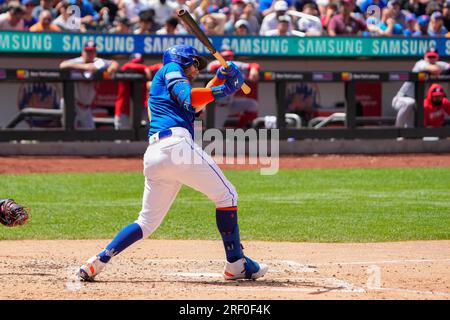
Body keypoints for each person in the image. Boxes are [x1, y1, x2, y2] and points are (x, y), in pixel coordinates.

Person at [78, 44, 268, 282]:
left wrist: (221, 78)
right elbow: (190, 98)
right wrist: (225, 90)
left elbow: (197, 102)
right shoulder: (171, 68)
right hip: (176, 146)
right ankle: (236, 263)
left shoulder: (170, 87)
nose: (196, 69)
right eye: (194, 63)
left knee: (146, 223)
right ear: (182, 60)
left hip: (156, 154)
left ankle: (97, 261)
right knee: (228, 196)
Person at [59, 41, 119, 129]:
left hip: (86, 107)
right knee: (69, 131)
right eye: (87, 51)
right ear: (82, 52)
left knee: (91, 134)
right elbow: (62, 65)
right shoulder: (77, 61)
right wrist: (83, 67)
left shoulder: (98, 62)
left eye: (92, 51)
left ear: (95, 53)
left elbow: (114, 63)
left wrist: (110, 70)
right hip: (72, 104)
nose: (89, 54)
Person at [392, 48, 450, 128]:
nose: (431, 59)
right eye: (429, 57)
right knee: (409, 102)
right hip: (402, 98)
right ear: (425, 57)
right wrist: (442, 70)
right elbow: (434, 69)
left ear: (437, 57)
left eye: (433, 57)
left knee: (411, 133)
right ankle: (397, 130)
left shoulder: (440, 64)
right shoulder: (420, 63)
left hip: (417, 103)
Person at [206, 47, 260, 128]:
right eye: (225, 56)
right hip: (216, 106)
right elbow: (213, 68)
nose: (228, 58)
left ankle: (239, 128)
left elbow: (254, 65)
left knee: (253, 105)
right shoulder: (213, 64)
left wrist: (253, 69)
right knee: (214, 131)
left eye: (230, 56)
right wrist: (231, 70)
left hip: (230, 103)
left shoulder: (233, 64)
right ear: (219, 56)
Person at [114, 53, 151, 130]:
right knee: (123, 139)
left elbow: (159, 66)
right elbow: (126, 66)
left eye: (139, 63)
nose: (137, 66)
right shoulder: (125, 70)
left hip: (140, 111)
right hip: (123, 112)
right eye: (136, 63)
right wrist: (144, 67)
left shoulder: (144, 75)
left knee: (141, 139)